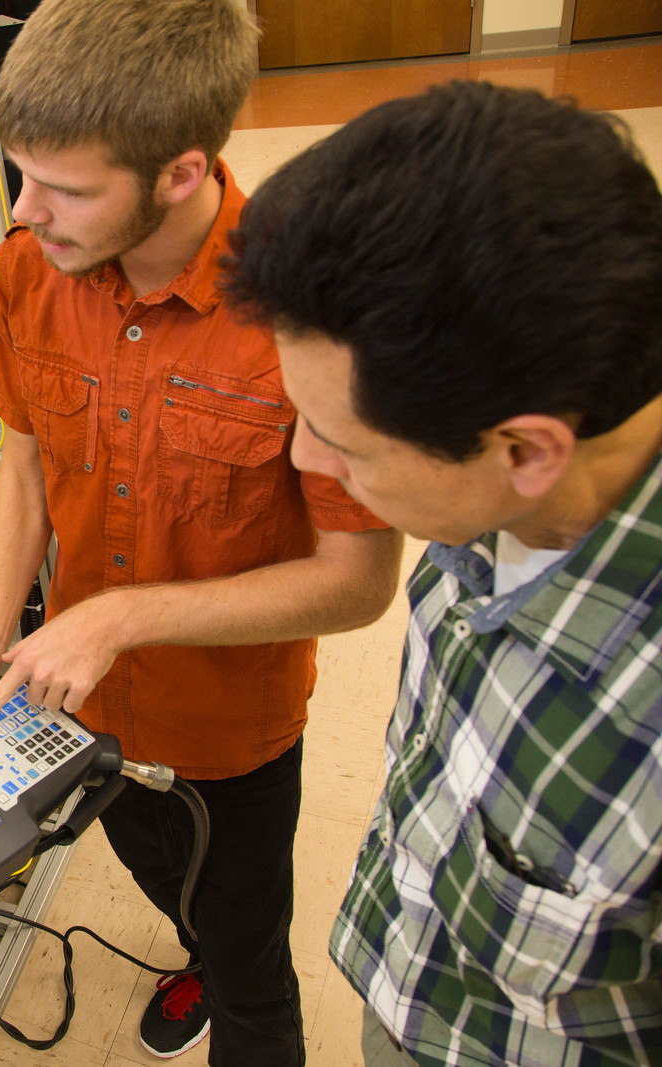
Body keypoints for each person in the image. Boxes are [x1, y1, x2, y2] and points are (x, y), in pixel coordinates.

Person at [0, 0, 405, 1060]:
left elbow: (357, 581)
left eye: (68, 188)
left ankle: (224, 977)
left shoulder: (305, 317)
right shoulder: (28, 264)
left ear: (181, 171)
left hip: (226, 727)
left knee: (252, 966)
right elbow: (25, 460)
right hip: (74, 707)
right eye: (21, 173)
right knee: (166, 885)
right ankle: (196, 953)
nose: (28, 210)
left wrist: (125, 615)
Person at [223, 80, 662, 1066]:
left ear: (526, 449)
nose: (301, 461)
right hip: (428, 993)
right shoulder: (492, 479)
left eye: (345, 444)